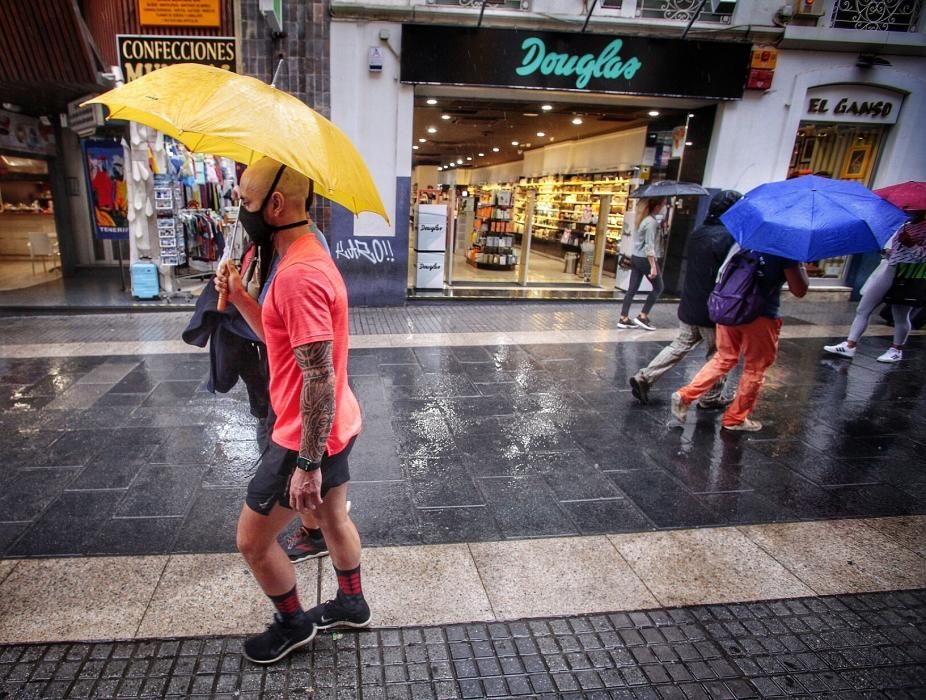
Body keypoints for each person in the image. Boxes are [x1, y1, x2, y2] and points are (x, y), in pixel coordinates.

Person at [215, 158, 368, 665]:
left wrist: (306, 464)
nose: (242, 212)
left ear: (276, 205)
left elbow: (317, 377)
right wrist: (239, 295)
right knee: (331, 516)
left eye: (245, 201)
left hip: (305, 433)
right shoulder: (298, 256)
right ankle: (352, 602)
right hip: (336, 422)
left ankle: (293, 623)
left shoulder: (299, 275)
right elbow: (282, 339)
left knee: (253, 541)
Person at [670, 250, 809, 432]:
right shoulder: (786, 251)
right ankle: (735, 418)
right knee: (755, 368)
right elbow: (799, 289)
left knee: (724, 358)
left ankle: (685, 395)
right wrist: (801, 268)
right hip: (760, 316)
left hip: (730, 308)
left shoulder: (745, 242)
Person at [629, 190, 742, 407]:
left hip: (690, 303)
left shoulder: (698, 232)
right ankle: (711, 397)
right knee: (718, 353)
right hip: (714, 308)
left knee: (679, 345)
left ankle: (644, 377)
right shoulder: (730, 238)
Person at [824, 210, 926, 363]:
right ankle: (850, 344)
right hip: (890, 269)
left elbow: (922, 257)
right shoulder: (904, 225)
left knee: (900, 315)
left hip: (908, 274)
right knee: (863, 308)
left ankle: (896, 350)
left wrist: (911, 245)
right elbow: (897, 253)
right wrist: (887, 252)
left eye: (911, 209)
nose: (907, 210)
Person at [618, 196, 667, 330]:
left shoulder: (644, 219)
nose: (664, 208)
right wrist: (653, 266)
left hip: (636, 257)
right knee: (658, 287)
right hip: (645, 259)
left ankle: (623, 318)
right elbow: (649, 246)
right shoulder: (651, 222)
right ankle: (643, 316)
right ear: (657, 206)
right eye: (664, 204)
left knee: (632, 289)